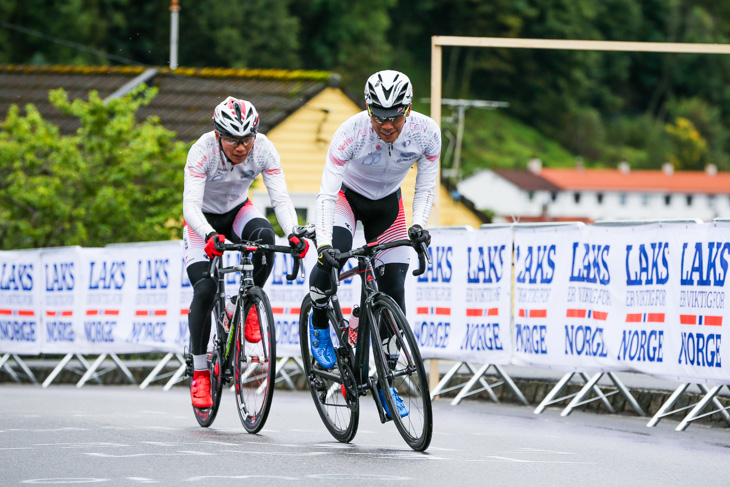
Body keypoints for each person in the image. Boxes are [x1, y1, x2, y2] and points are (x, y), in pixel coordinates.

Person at [308, 70, 439, 417]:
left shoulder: (426, 133)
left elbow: (425, 186)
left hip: (387, 206)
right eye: (378, 117)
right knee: (330, 259)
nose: (386, 125)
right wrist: (324, 246)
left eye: (394, 116)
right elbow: (325, 193)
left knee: (395, 290)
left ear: (408, 109)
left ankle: (385, 381)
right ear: (368, 110)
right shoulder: (349, 133)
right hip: (345, 201)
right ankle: (319, 320)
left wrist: (419, 225)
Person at [183, 96, 308, 408]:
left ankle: (244, 304)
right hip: (203, 223)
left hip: (238, 211)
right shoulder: (202, 150)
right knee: (205, 290)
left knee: (265, 237)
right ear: (218, 135)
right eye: (233, 140)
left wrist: (292, 232)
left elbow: (280, 199)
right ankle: (200, 372)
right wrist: (209, 234)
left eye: (247, 139)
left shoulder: (264, 148)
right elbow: (190, 206)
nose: (241, 147)